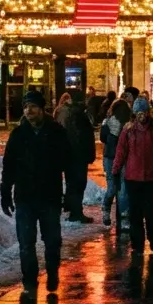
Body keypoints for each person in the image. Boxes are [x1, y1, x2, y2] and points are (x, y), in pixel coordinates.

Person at [0, 90, 70, 304]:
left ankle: (52, 272)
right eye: (26, 107)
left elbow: (68, 163)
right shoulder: (18, 135)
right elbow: (9, 166)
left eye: (33, 106)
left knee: (52, 241)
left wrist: (71, 195)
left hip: (50, 196)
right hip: (25, 197)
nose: (29, 111)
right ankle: (29, 282)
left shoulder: (56, 132)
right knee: (26, 243)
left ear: (42, 109)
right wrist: (5, 192)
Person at [112, 97, 153, 255]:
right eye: (138, 113)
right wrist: (116, 169)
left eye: (143, 112)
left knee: (151, 212)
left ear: (148, 113)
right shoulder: (128, 131)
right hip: (133, 178)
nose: (141, 116)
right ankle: (137, 244)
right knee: (135, 213)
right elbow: (121, 151)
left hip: (152, 178)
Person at [55, 89, 96, 223]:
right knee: (77, 183)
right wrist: (84, 153)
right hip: (76, 156)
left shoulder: (69, 112)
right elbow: (79, 137)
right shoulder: (75, 114)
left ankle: (73, 210)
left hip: (72, 155)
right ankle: (75, 212)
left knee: (73, 183)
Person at [99, 97, 132, 229]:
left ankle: (107, 209)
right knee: (122, 188)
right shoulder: (128, 125)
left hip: (111, 157)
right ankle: (123, 216)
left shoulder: (107, 123)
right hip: (119, 158)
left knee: (113, 187)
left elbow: (103, 139)